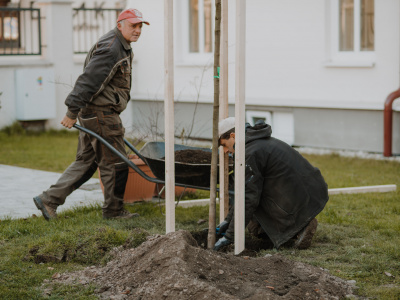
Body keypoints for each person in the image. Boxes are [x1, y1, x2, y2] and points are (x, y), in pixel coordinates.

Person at [33, 9, 150, 220]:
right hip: (101, 114)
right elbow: (89, 80)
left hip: (95, 113)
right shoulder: (112, 48)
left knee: (87, 163)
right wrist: (71, 111)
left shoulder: (118, 44)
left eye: (140, 26)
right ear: (120, 24)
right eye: (134, 25)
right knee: (116, 164)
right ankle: (114, 213)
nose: (138, 30)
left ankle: (49, 199)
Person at [214, 117, 329, 250]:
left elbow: (248, 197)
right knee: (254, 228)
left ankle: (301, 226)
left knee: (254, 205)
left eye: (223, 145)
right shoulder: (255, 142)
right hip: (308, 188)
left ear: (233, 136)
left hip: (300, 194)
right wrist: (228, 221)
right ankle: (297, 227)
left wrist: (229, 237)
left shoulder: (250, 152)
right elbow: (244, 191)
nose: (225, 151)